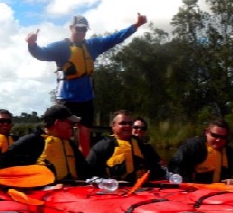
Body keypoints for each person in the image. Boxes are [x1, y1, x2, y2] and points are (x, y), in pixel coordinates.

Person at [26, 13, 147, 157]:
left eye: (84, 29)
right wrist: (32, 44)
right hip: (66, 99)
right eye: (78, 29)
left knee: (84, 137)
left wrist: (136, 25)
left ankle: (84, 170)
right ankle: (56, 163)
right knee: (61, 135)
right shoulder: (60, 47)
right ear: (71, 28)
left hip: (86, 99)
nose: (81, 32)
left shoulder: (92, 45)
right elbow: (41, 54)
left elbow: (116, 38)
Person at [0, 104, 91, 181]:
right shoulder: (32, 142)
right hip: (43, 194)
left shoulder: (70, 145)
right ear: (58, 123)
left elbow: (86, 172)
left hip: (72, 193)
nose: (73, 127)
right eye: (70, 124)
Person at [86, 110, 165, 184]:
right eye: (123, 123)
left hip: (142, 191)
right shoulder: (103, 146)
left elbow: (158, 170)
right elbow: (88, 174)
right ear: (113, 125)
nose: (127, 126)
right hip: (113, 192)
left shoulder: (143, 146)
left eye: (130, 124)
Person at [168, 119, 233, 185]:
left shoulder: (229, 152)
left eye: (223, 137)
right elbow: (174, 165)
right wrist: (181, 179)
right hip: (194, 191)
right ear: (207, 132)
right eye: (215, 135)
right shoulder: (193, 146)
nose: (218, 140)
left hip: (220, 193)